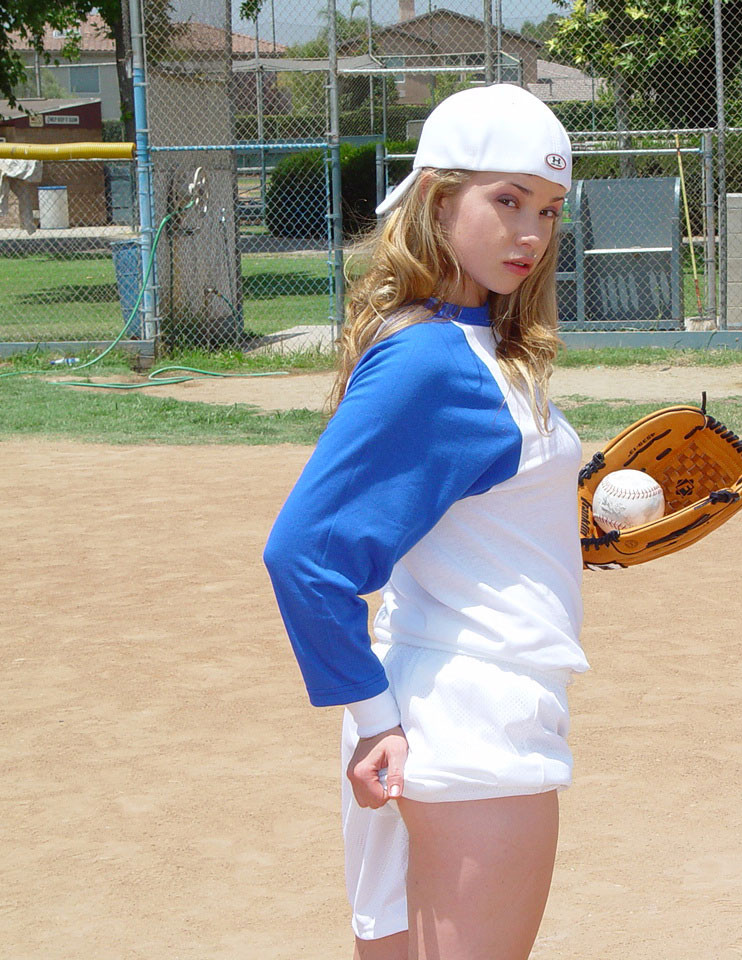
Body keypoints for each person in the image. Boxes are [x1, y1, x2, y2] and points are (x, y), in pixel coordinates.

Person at [262, 84, 586, 960]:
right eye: (506, 200)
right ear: (438, 199)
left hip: (436, 700)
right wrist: (373, 716)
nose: (531, 233)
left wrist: (571, 523)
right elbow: (305, 554)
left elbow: (450, 511)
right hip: (476, 712)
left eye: (549, 210)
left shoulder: (461, 340)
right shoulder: (437, 359)